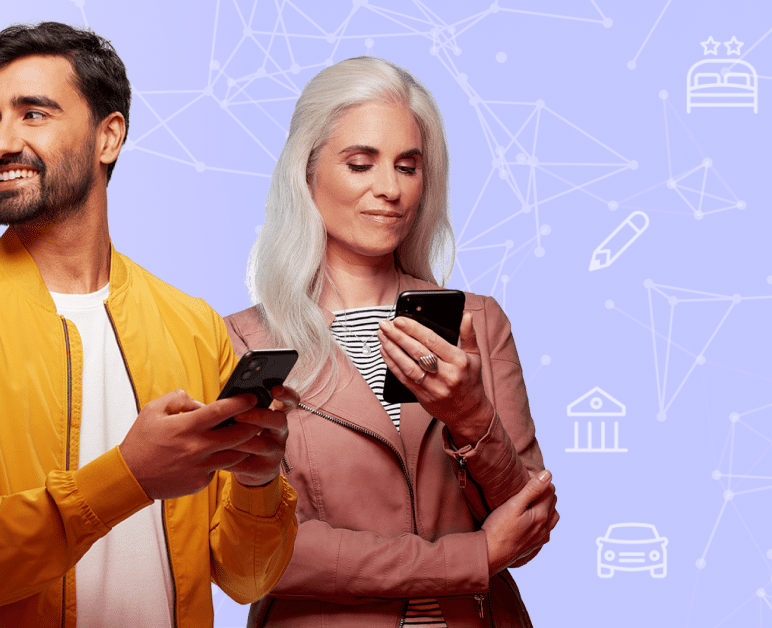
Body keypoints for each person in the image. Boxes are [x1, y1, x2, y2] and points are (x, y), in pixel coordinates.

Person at [0, 22, 298, 628]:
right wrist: (129, 478)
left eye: (33, 114)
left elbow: (246, 578)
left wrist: (257, 482)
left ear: (109, 136)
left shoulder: (192, 324)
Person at [224, 56, 558, 627]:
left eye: (408, 166)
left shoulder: (477, 322)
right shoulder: (243, 341)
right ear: (306, 173)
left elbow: (527, 525)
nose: (390, 189)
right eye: (360, 164)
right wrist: (471, 557)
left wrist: (471, 416)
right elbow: (265, 555)